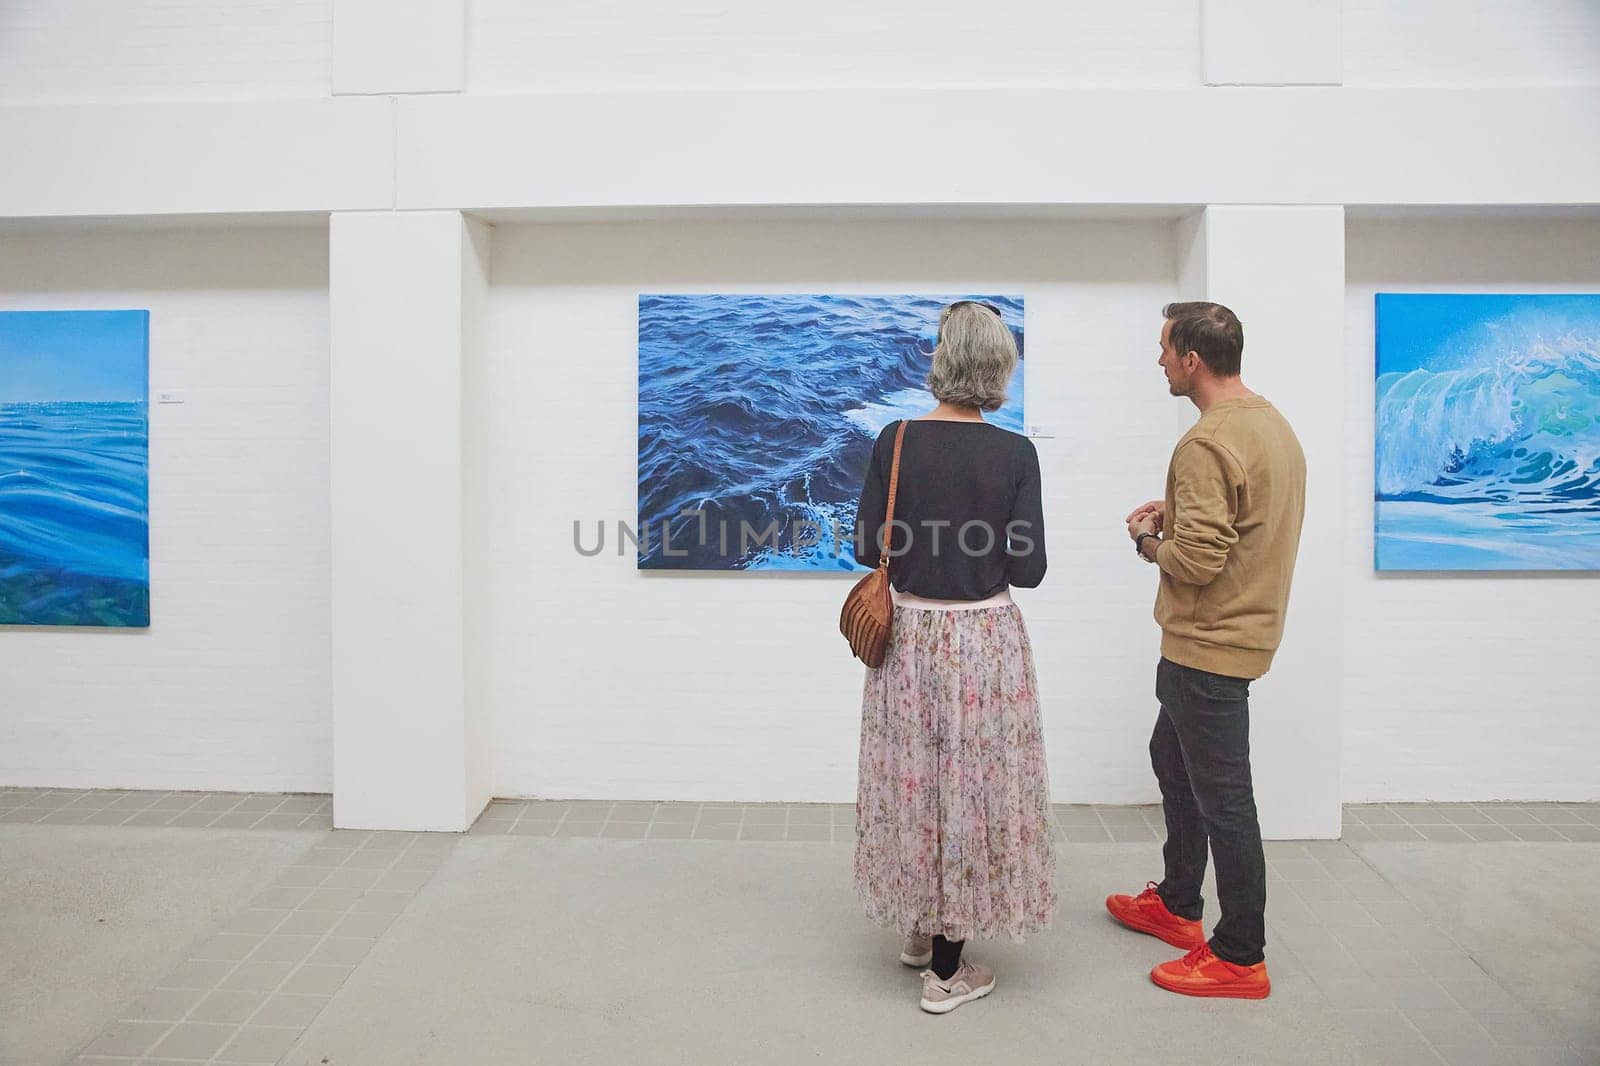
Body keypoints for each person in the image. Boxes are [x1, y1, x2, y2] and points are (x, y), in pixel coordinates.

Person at [851, 300, 1055, 1015]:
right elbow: (1027, 569)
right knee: (969, 787)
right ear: (1000, 368)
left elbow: (862, 547)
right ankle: (947, 971)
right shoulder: (1014, 453)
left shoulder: (894, 439)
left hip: (908, 640)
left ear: (940, 360)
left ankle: (918, 929)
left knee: (914, 779)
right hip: (982, 642)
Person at [1107, 301, 1306, 999]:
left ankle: (1239, 954)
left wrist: (1145, 539)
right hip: (1241, 635)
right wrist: (1180, 512)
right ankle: (1179, 904)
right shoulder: (1267, 425)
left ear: (1193, 359)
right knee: (1171, 758)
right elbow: (1244, 520)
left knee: (1226, 800)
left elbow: (1195, 561)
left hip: (1207, 646)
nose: (1159, 360)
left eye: (1164, 349)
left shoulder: (1204, 443)